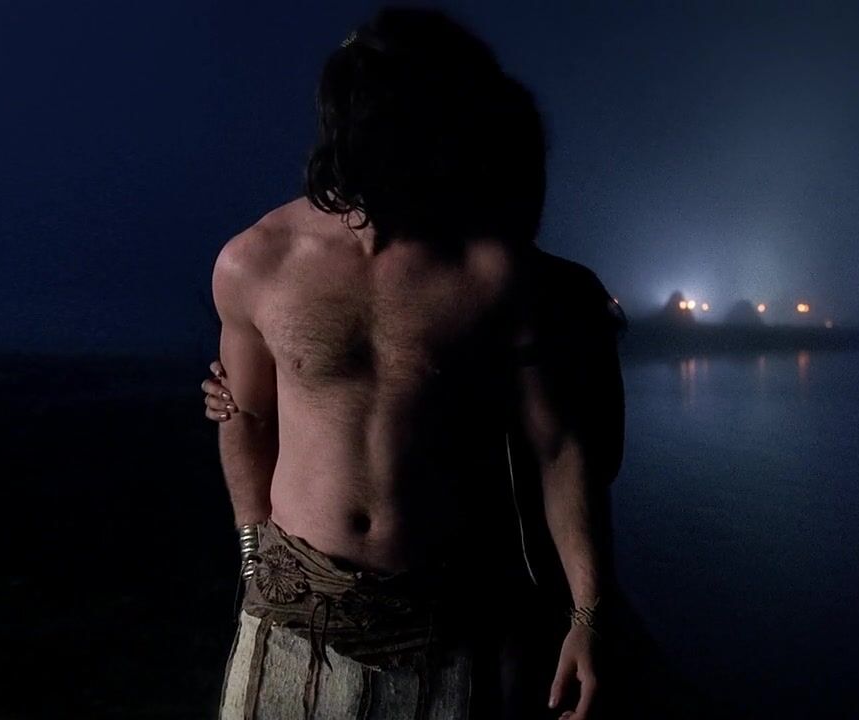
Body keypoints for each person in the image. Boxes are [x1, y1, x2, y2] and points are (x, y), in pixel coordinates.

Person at [208, 8, 608, 719]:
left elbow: (559, 449)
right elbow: (247, 416)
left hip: (440, 620)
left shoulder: (493, 273)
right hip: (291, 608)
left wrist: (587, 617)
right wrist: (251, 554)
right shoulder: (256, 262)